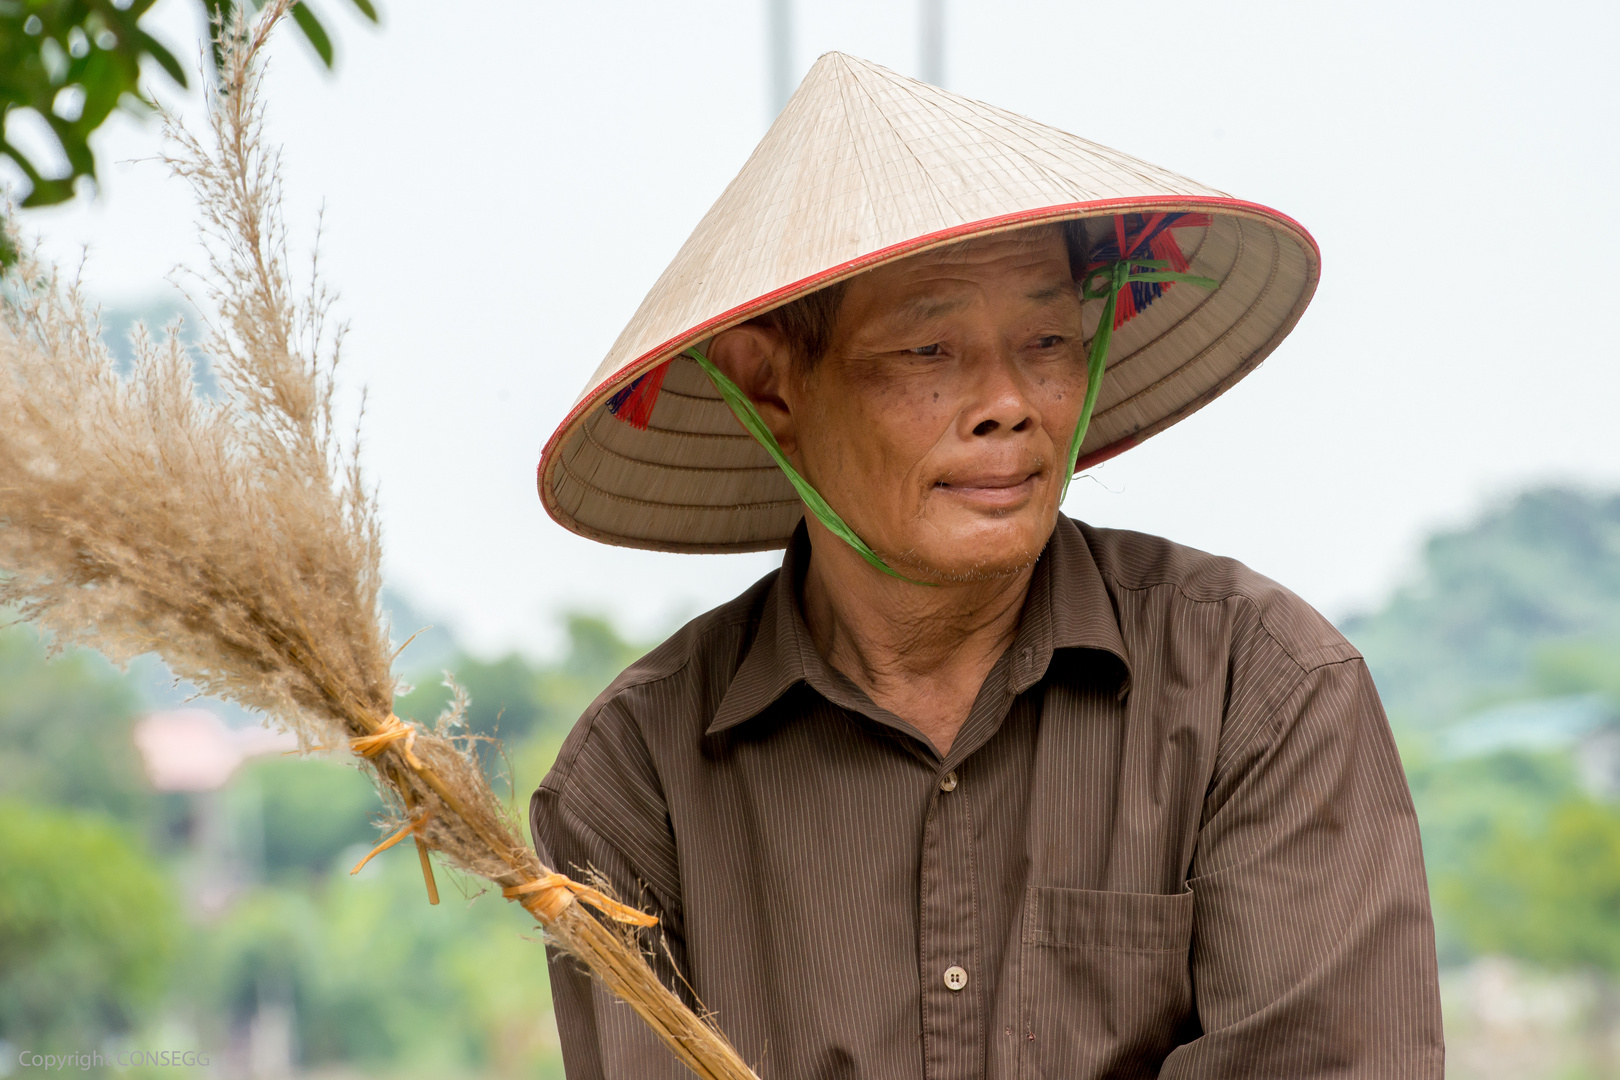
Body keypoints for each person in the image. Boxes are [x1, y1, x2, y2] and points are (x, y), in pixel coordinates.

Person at [531, 53, 1442, 1079]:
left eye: (1048, 339)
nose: (1009, 402)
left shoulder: (1258, 689)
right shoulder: (638, 777)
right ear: (772, 384)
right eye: (930, 352)